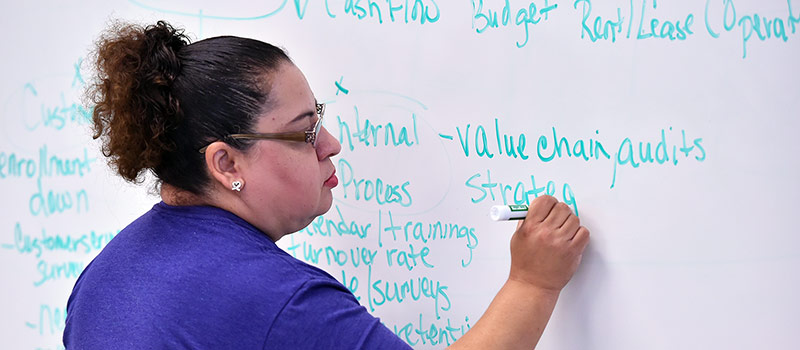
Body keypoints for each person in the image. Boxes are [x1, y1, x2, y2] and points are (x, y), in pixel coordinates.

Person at [64, 20, 590, 349]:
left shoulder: (105, 275)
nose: (331, 143)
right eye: (303, 132)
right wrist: (533, 284)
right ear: (226, 164)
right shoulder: (279, 302)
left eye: (321, 119)